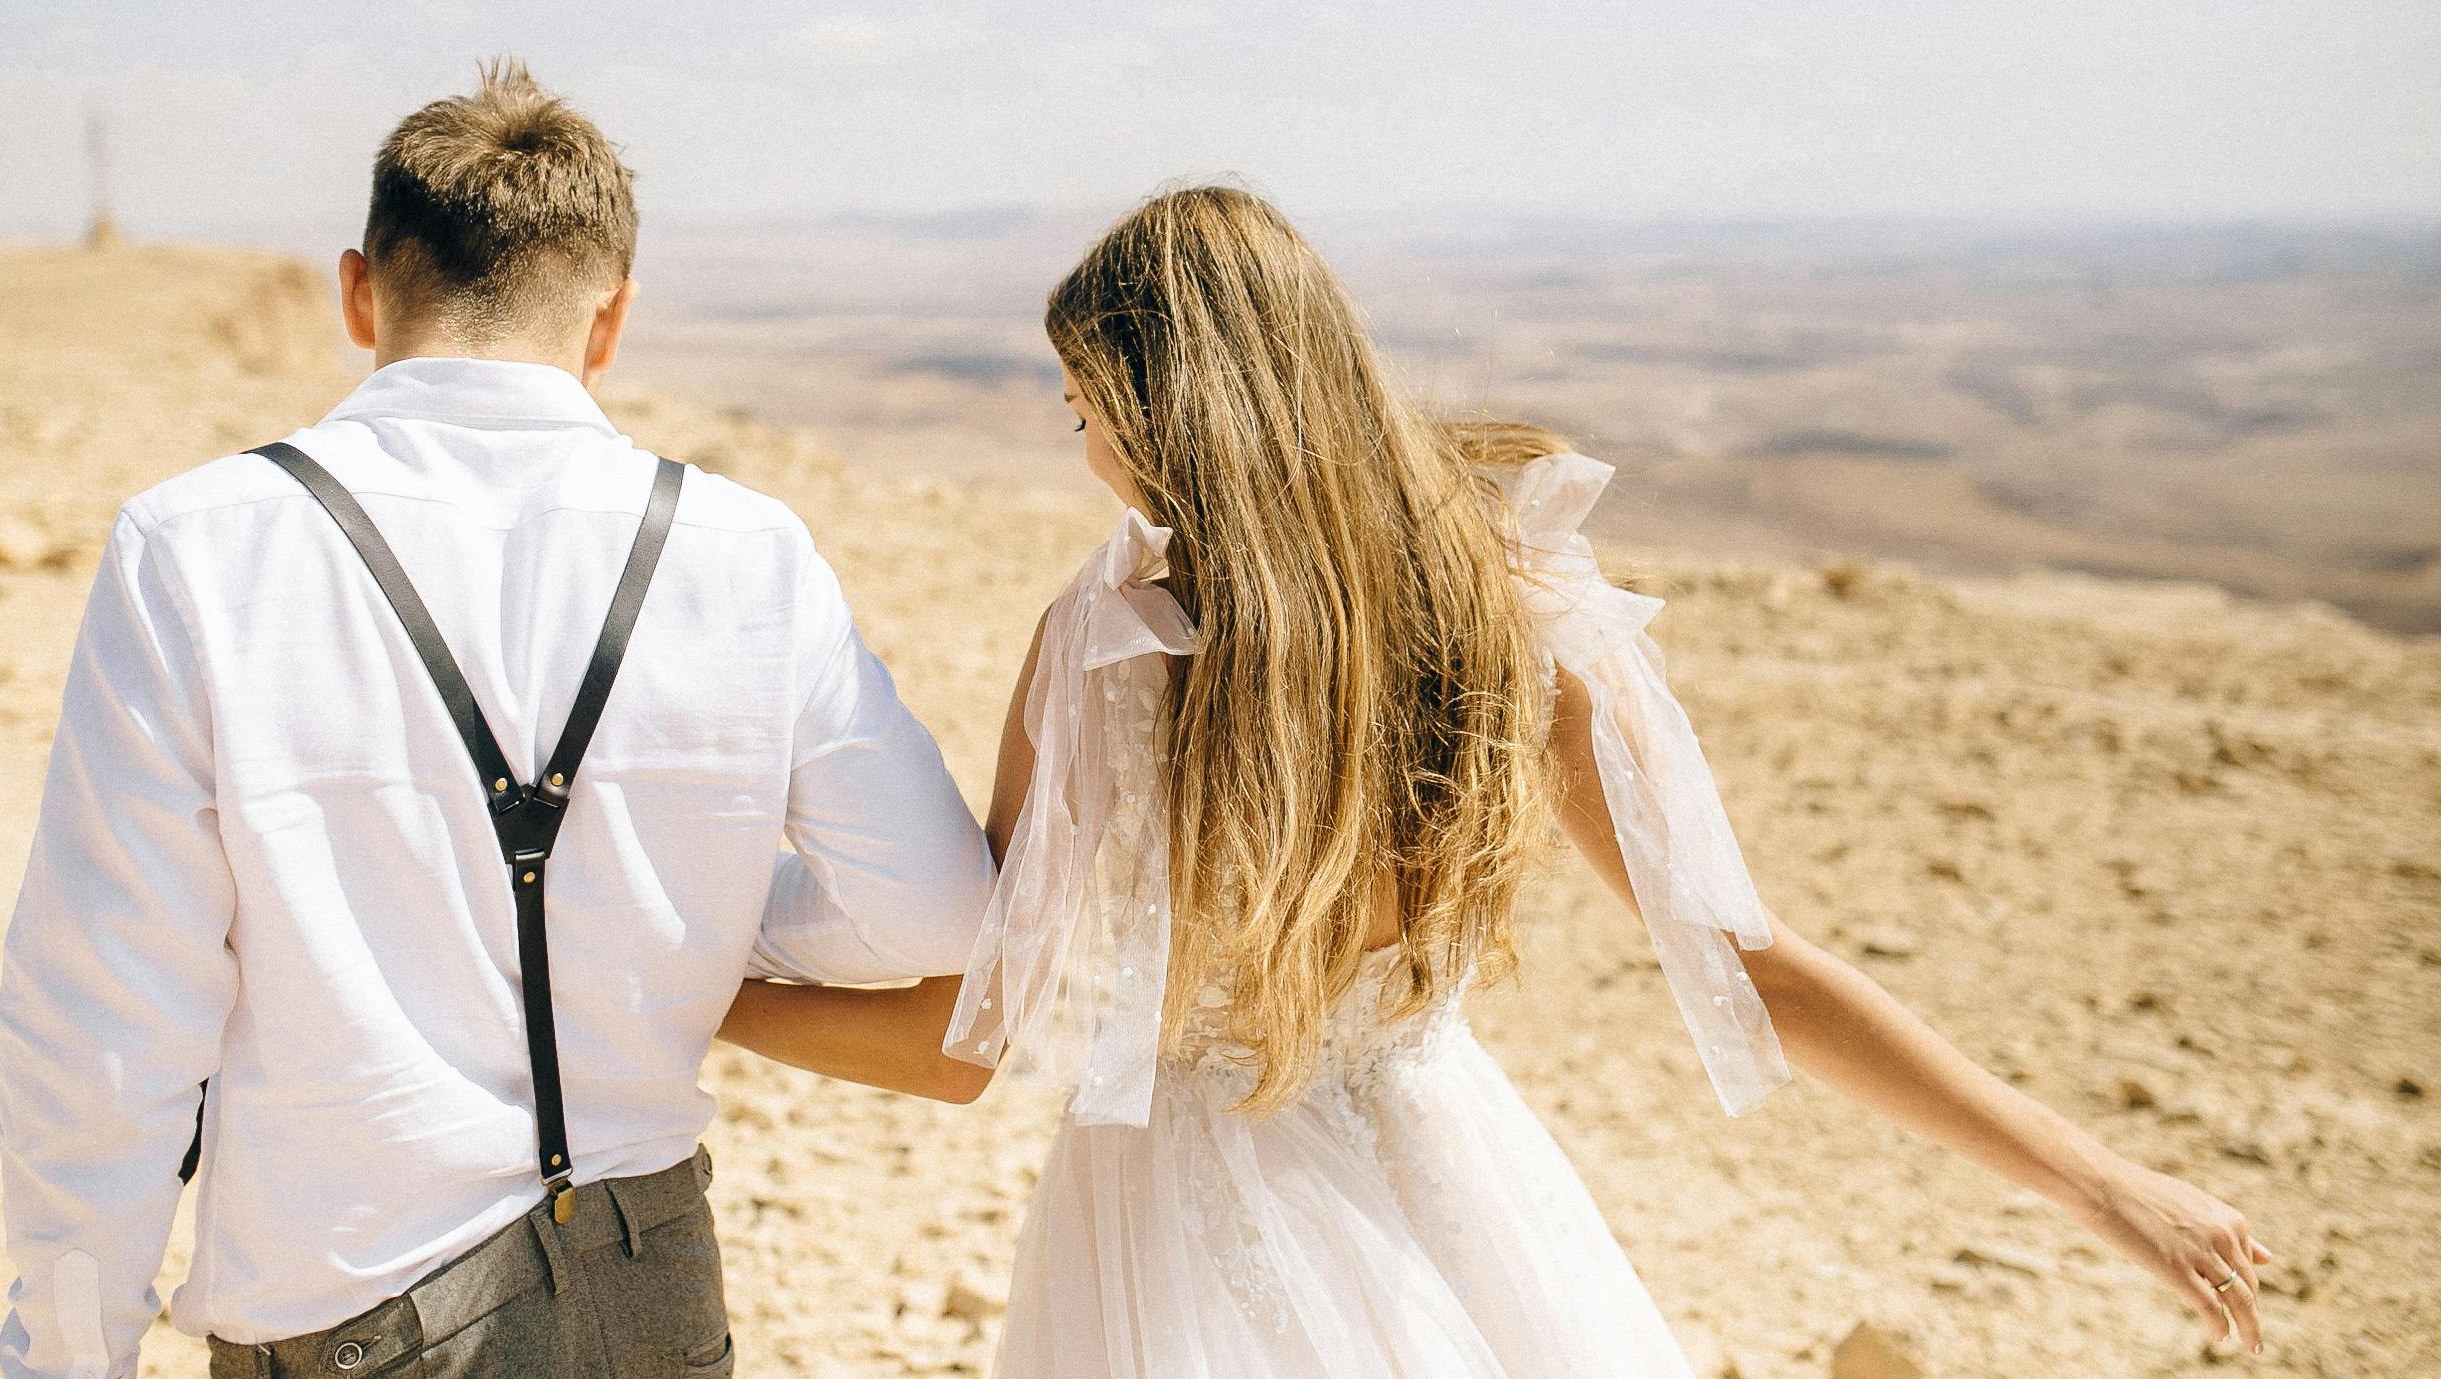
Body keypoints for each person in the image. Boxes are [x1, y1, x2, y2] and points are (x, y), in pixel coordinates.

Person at [717, 185, 2272, 1377]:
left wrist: (693, 990)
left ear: (1166, 414)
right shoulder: (1504, 602)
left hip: (1183, 1216)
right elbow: (1753, 971)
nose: (1086, 458)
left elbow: (970, 1044)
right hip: (1461, 1176)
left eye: (1085, 412)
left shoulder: (1115, 643)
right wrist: (2099, 1182)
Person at [0, 60, 997, 1378]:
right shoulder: (746, 552)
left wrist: (67, 1358)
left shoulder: (198, 550)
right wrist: (683, 914)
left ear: (360, 291)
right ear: (612, 319)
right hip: (653, 1295)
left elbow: (106, 1020)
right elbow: (934, 917)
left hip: (356, 1315)